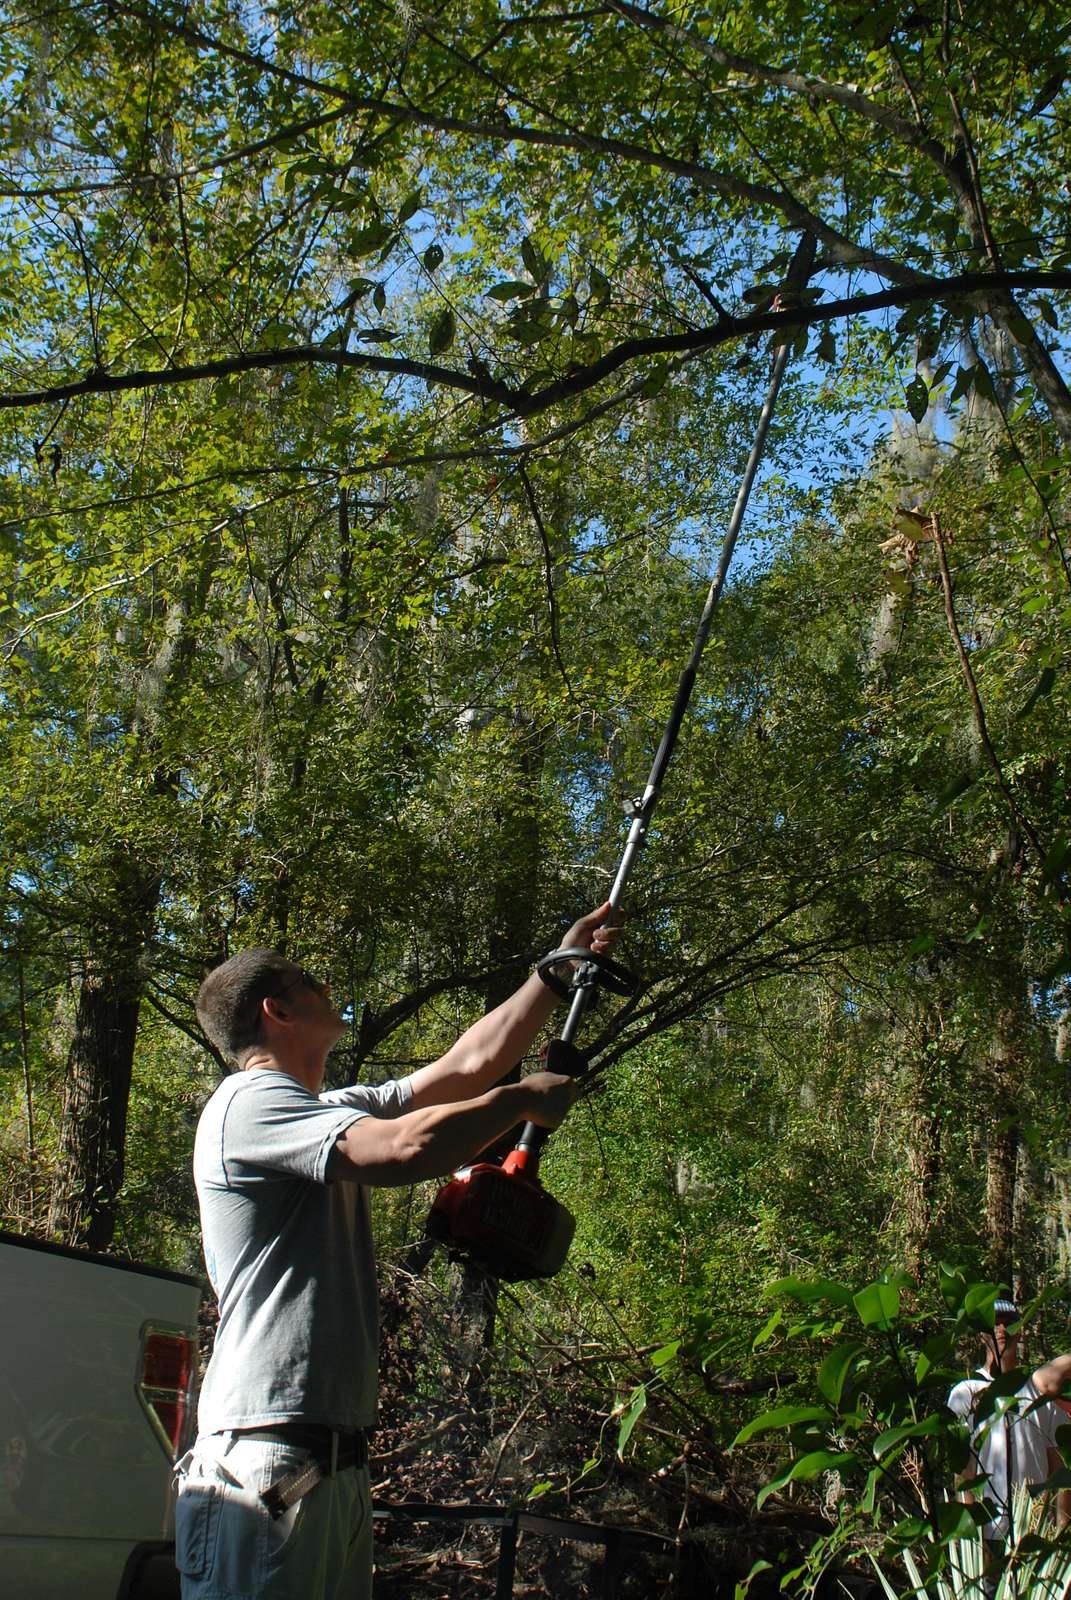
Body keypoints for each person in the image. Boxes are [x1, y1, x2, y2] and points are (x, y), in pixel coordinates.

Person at [173, 902, 616, 1600]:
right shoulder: (249, 1103)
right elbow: (401, 1150)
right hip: (263, 1456)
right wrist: (519, 1102)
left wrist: (553, 975)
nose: (327, 989)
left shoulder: (322, 1110)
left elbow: (466, 1066)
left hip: (326, 1461)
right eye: (309, 982)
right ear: (276, 1012)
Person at [947, 1299, 1071, 1546]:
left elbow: (1059, 1470)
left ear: (1020, 1331)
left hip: (1035, 1532)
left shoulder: (1038, 1395)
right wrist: (973, 1542)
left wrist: (1061, 1532)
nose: (1002, 1330)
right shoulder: (966, 1392)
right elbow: (963, 1472)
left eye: (1009, 1324)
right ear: (983, 1335)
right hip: (990, 1533)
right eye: (995, 1324)